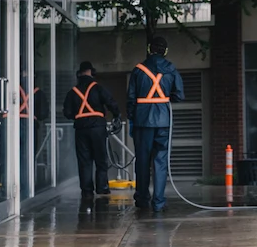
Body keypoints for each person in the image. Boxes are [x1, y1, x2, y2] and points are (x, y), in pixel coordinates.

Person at [128, 36, 184, 212]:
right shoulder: (171, 69)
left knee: (142, 161)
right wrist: (165, 98)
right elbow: (180, 95)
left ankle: (143, 199)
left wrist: (133, 118)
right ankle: (158, 202)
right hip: (163, 121)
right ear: (165, 51)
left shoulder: (138, 70)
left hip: (142, 121)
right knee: (160, 161)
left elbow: (130, 99)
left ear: (149, 49)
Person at [62, 61, 120, 197]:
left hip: (81, 129)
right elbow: (111, 102)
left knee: (84, 160)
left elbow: (67, 113)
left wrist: (80, 116)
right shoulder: (98, 88)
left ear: (79, 73)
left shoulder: (73, 92)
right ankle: (102, 187)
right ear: (91, 72)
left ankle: (87, 190)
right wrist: (117, 115)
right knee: (100, 159)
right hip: (98, 128)